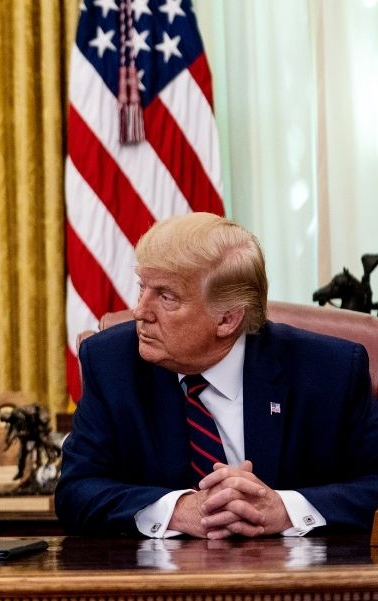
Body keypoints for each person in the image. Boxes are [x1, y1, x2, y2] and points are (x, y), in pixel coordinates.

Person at [57, 212, 378, 538]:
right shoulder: (111, 362)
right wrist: (178, 510)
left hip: (298, 580)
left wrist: (285, 509)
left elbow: (372, 484)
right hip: (159, 581)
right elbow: (75, 491)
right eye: (143, 287)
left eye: (166, 296)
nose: (140, 310)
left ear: (227, 320)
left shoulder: (329, 370)